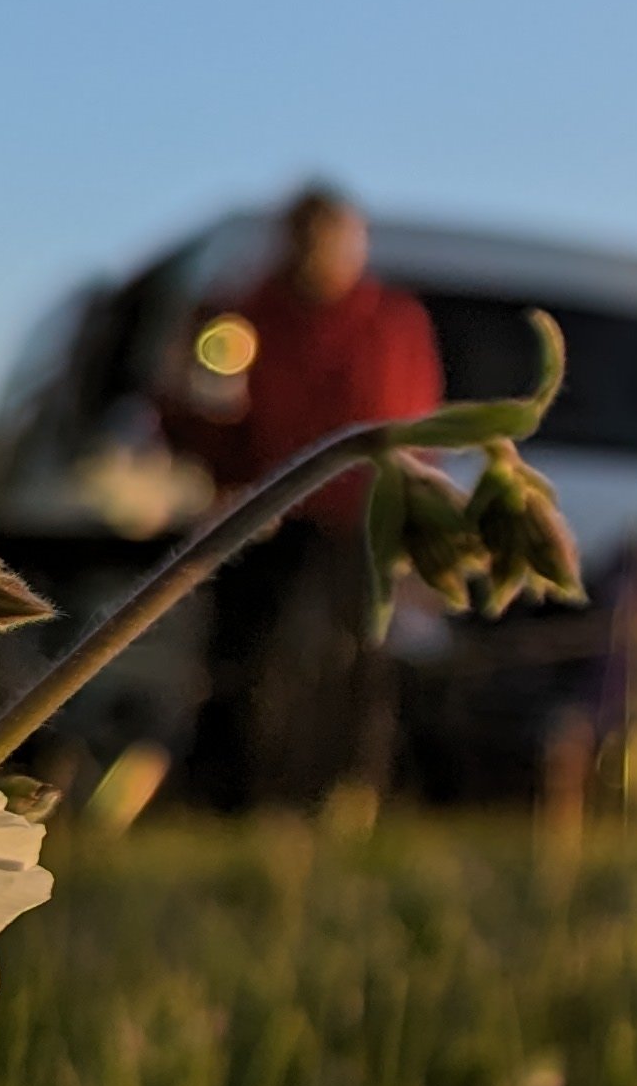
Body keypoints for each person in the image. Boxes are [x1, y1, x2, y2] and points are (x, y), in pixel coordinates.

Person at [162, 184, 444, 810]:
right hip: (266, 513)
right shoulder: (242, 314)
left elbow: (416, 424)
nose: (321, 251)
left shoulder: (391, 320)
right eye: (307, 236)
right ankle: (228, 798)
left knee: (357, 661)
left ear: (356, 242)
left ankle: (347, 795)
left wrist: (415, 511)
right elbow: (204, 412)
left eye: (335, 237)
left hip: (358, 518)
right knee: (246, 656)